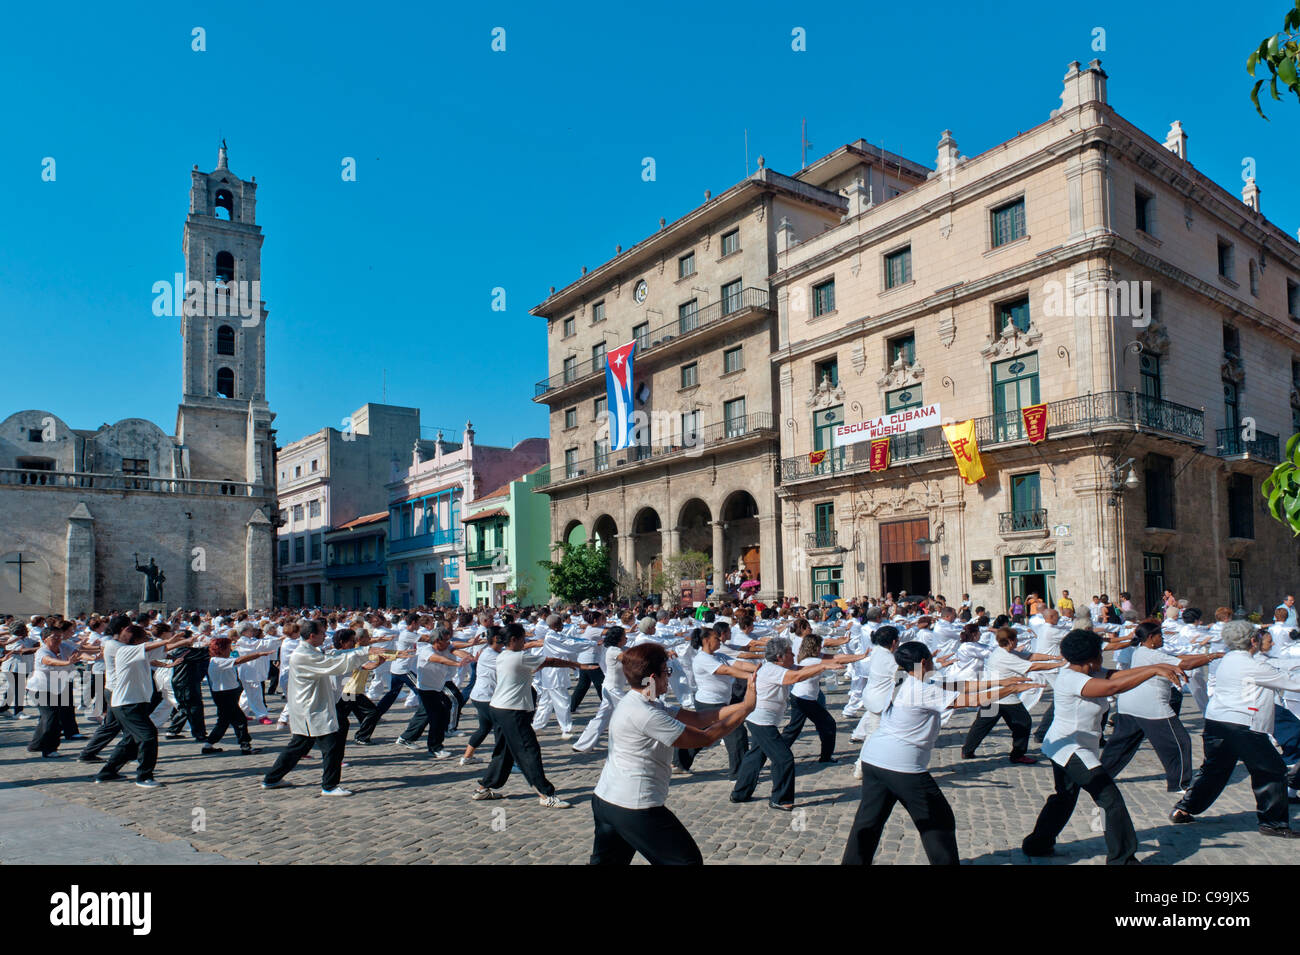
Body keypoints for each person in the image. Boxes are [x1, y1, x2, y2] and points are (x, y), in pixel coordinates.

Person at [843, 641, 1039, 864]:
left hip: (874, 758)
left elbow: (959, 685)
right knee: (939, 819)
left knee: (869, 821)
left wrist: (1002, 682)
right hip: (900, 766)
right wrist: (1012, 690)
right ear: (925, 661)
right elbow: (971, 700)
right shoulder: (922, 689)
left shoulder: (906, 679)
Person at [1022, 630, 1186, 863]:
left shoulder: (1086, 671)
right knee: (1110, 800)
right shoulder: (1073, 679)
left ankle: (1037, 843)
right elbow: (1112, 688)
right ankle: (1122, 860)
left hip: (1069, 746)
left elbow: (1118, 676)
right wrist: (1153, 670)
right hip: (1071, 750)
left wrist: (1156, 668)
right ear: (1092, 658)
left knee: (1064, 797)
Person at [590, 642, 757, 865]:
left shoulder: (643, 701)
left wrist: (744, 704)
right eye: (666, 672)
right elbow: (704, 737)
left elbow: (699, 718)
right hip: (635, 806)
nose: (668, 678)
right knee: (685, 862)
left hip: (607, 799)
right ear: (652, 677)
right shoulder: (645, 713)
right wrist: (746, 711)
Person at [1170, 620, 1300, 838]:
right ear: (1252, 640)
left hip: (1216, 721)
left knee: (1214, 770)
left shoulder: (1230, 659)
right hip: (1242, 725)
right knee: (1271, 770)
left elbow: (1276, 665)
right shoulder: (1252, 665)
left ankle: (1184, 808)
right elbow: (1290, 682)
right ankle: (1273, 823)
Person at [729, 636, 851, 811]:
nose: (793, 655)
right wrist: (823, 665)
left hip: (764, 719)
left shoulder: (782, 666)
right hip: (760, 720)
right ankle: (780, 799)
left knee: (755, 756)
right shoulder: (772, 669)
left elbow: (802, 669)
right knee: (783, 758)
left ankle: (740, 793)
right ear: (779, 656)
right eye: (789, 652)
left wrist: (825, 665)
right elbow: (796, 676)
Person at [472, 622, 584, 807]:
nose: (525, 642)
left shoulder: (503, 655)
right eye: (523, 639)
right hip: (512, 711)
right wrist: (577, 664)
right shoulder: (519, 656)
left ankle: (485, 788)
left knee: (505, 751)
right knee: (529, 750)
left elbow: (535, 666)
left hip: (499, 708)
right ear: (514, 640)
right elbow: (550, 661)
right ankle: (545, 794)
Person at [1100, 620, 1219, 793]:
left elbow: (1178, 659)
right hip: (1150, 706)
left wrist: (1208, 657)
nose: (1162, 638)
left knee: (1120, 745)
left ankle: (1100, 776)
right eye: (1160, 636)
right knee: (1180, 742)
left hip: (1128, 704)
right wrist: (1212, 657)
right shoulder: (1151, 654)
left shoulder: (1141, 650)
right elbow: (1184, 664)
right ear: (1151, 638)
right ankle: (1180, 783)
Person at [261, 619, 375, 796]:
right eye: (322, 633)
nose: (325, 636)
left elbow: (334, 657)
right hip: (311, 708)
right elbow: (332, 664)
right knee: (332, 746)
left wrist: (366, 651)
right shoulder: (303, 655)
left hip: (314, 707)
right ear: (312, 635)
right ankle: (329, 786)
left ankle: (272, 778)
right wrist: (366, 651)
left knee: (297, 747)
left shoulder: (311, 651)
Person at [95, 624, 194, 787]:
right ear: (137, 640)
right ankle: (144, 776)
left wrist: (182, 642)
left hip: (134, 702)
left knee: (130, 740)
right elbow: (150, 646)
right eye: (144, 638)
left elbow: (161, 648)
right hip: (127, 704)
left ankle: (107, 772)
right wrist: (169, 640)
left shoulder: (136, 652)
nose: (147, 640)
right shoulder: (124, 651)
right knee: (148, 736)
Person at [961, 626, 1063, 762]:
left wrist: (1054, 657)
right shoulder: (1005, 656)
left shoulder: (1005, 651)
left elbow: (1031, 656)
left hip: (993, 695)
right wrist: (1059, 664)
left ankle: (967, 750)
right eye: (1016, 639)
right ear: (1010, 641)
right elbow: (1033, 666)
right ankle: (1017, 755)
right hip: (1005, 697)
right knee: (1023, 722)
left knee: (982, 724)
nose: (1017, 642)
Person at [674, 623, 760, 775]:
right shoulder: (702, 658)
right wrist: (749, 677)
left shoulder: (719, 656)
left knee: (700, 735)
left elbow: (739, 664)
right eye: (716, 638)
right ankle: (739, 775)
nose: (720, 640)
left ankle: (679, 762)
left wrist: (761, 670)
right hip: (710, 703)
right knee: (736, 734)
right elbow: (725, 670)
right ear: (706, 640)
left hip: (719, 702)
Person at [782, 621, 865, 763]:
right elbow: (833, 658)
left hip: (803, 696)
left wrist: (860, 656)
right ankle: (824, 757)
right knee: (827, 724)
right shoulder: (812, 660)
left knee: (794, 729)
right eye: (808, 627)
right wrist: (834, 664)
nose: (822, 648)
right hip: (804, 698)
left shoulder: (810, 654)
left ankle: (779, 751)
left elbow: (836, 657)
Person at [395, 628, 470, 758]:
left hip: (437, 688)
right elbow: (440, 660)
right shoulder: (427, 651)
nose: (448, 642)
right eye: (446, 640)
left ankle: (406, 738)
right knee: (437, 717)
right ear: (436, 641)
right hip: (426, 689)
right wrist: (457, 664)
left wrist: (470, 657)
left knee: (425, 715)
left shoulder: (446, 647)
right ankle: (435, 748)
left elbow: (456, 649)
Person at [202, 635, 274, 755]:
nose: (230, 650)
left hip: (226, 693)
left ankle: (208, 745)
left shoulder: (219, 660)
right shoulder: (217, 661)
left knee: (223, 721)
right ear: (221, 649)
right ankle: (245, 745)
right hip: (225, 695)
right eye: (228, 648)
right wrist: (259, 654)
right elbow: (239, 660)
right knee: (239, 720)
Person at [25, 627, 91, 758]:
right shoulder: (42, 651)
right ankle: (49, 749)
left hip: (57, 687)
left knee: (48, 717)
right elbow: (49, 660)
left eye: (60, 636)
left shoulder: (63, 645)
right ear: (44, 639)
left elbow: (78, 653)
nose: (58, 640)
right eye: (54, 637)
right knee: (52, 717)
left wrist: (92, 657)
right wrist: (66, 662)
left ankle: (35, 745)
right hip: (40, 688)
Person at [572, 627, 630, 752]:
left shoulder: (621, 648)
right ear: (618, 639)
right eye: (624, 636)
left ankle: (582, 745)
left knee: (601, 719)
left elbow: (636, 652)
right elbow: (629, 658)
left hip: (611, 688)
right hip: (612, 689)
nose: (627, 638)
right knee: (635, 709)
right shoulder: (613, 651)